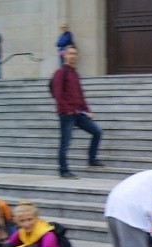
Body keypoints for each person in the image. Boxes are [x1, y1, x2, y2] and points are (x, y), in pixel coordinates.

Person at [52, 45, 103, 179]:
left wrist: (87, 110)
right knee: (65, 142)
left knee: (97, 132)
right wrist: (65, 109)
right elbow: (57, 94)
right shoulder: (60, 72)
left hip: (78, 113)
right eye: (70, 54)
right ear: (65, 55)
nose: (73, 56)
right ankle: (64, 171)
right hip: (66, 114)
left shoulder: (74, 74)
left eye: (75, 54)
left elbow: (80, 95)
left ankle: (92, 160)